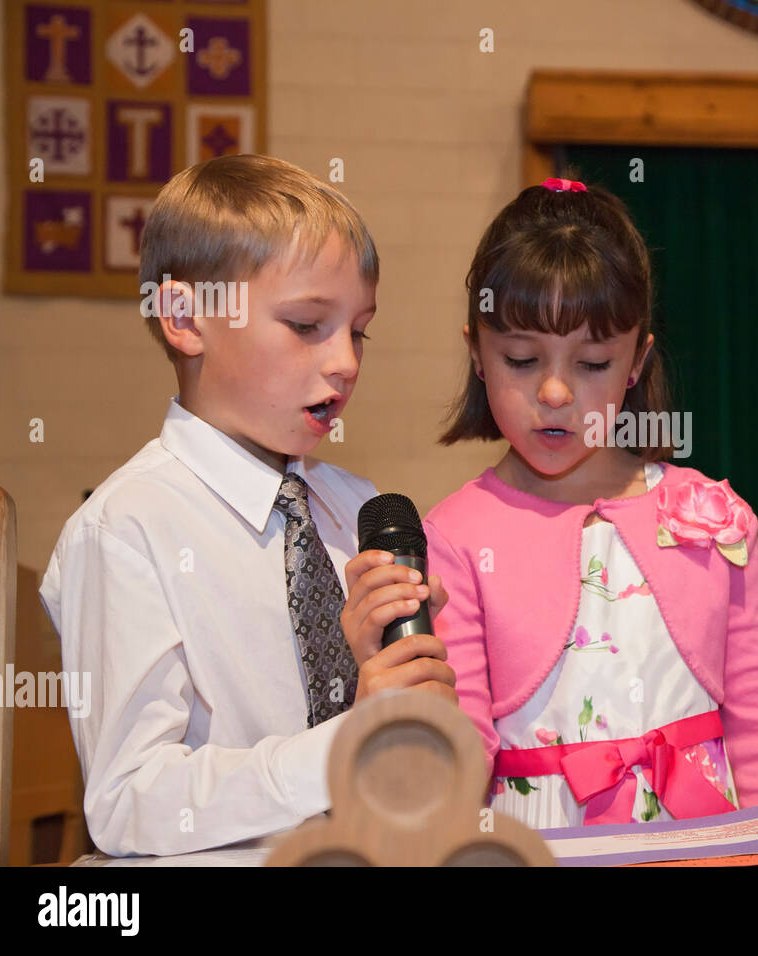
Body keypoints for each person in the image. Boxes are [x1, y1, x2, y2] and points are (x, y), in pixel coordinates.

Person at [40, 155, 453, 856]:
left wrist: (391, 694)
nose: (347, 362)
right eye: (306, 325)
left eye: (359, 330)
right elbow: (128, 799)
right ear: (184, 318)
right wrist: (344, 744)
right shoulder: (126, 528)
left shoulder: (354, 506)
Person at [382, 175, 758, 827]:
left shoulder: (713, 515)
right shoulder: (455, 536)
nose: (555, 392)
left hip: (707, 840)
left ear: (636, 363)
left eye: (591, 365)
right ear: (476, 352)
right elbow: (457, 757)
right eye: (522, 360)